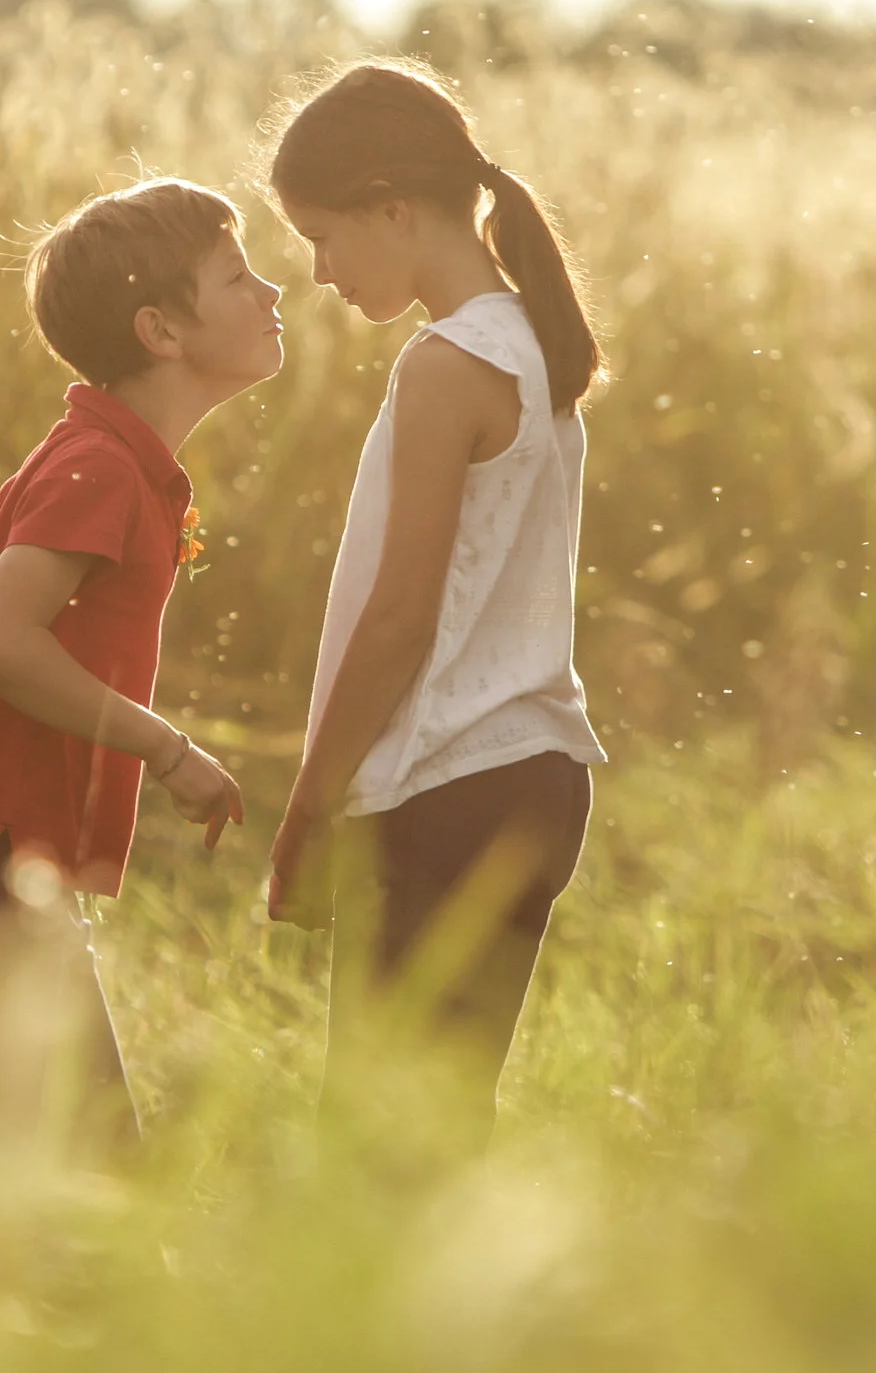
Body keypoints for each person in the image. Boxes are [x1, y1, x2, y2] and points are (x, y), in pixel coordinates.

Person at [0, 177, 283, 1198]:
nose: (274, 289)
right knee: (80, 1166)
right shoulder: (99, 467)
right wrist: (161, 745)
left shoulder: (99, 455)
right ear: (161, 329)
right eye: (237, 276)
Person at [263, 61, 608, 1139]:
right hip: (533, 780)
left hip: (449, 785)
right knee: (437, 1127)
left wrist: (310, 799)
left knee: (377, 1148)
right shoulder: (531, 342)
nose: (318, 271)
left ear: (393, 209)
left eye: (323, 235)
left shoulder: (445, 364)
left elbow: (404, 615)